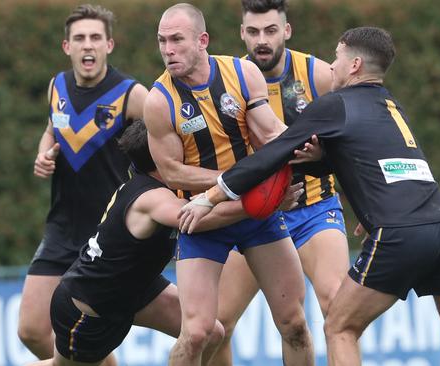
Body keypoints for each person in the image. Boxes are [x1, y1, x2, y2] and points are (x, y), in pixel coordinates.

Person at [180, 27, 440, 366]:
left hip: (400, 235)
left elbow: (274, 153)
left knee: (339, 327)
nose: (331, 66)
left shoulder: (335, 104)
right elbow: (379, 163)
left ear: (355, 65)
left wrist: (212, 195)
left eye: (337, 57)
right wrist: (328, 165)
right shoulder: (391, 105)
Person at [143, 3, 314, 366]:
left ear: (202, 40)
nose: (168, 50)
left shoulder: (242, 72)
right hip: (204, 221)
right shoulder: (158, 101)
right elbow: (173, 173)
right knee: (198, 332)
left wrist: (315, 150)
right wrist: (239, 183)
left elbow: (270, 134)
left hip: (259, 218)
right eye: (162, 41)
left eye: (177, 40)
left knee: (295, 323)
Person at [27, 120, 250, 366]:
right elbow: (198, 217)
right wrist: (257, 205)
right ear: (160, 152)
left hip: (137, 290)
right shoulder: (153, 198)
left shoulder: (160, 185)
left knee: (209, 333)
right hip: (90, 308)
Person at [209, 1, 349, 365]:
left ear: (286, 31)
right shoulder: (228, 80)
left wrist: (366, 202)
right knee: (216, 325)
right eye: (253, 32)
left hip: (315, 210)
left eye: (271, 31)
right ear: (242, 33)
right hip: (257, 218)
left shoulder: (317, 74)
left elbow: (354, 143)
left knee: (336, 307)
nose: (262, 41)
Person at [18, 4, 149, 362]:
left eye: (95, 37)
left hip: (106, 234)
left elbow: (165, 140)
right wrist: (44, 153)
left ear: (109, 44)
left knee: (200, 326)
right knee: (30, 329)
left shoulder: (130, 94)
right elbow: (51, 131)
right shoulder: (56, 86)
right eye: (79, 38)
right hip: (61, 228)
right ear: (67, 47)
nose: (87, 45)